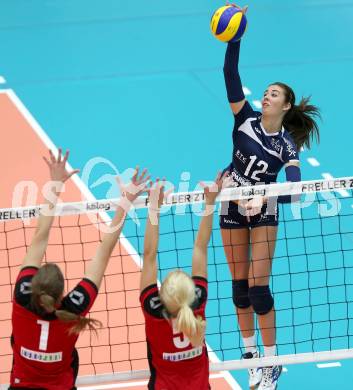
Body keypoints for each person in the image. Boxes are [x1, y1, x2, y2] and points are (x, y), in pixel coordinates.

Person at [219, 5, 321, 390]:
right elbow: (231, 75)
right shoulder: (243, 117)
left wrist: (265, 198)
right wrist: (235, 38)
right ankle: (250, 358)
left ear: (286, 105)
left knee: (259, 289)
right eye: (265, 91)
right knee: (239, 289)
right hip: (231, 203)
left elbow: (293, 190)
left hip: (263, 212)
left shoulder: (287, 146)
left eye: (274, 93)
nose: (266, 95)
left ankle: (273, 361)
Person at [10, 149, 149, 390]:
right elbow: (103, 255)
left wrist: (54, 184)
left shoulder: (22, 299)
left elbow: (38, 237)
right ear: (62, 293)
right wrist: (124, 204)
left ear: (34, 286)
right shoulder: (74, 308)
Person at [140, 173, 226, 390]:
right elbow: (200, 248)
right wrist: (210, 203)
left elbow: (149, 255)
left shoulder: (153, 311)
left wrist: (154, 207)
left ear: (161, 297)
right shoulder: (198, 302)